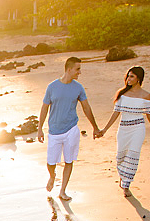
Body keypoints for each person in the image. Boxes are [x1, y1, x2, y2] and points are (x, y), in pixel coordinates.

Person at [37, 57, 102, 201]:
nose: (80, 72)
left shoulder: (78, 88)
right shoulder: (52, 87)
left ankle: (63, 191)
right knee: (51, 162)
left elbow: (86, 107)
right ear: (69, 69)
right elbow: (44, 107)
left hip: (71, 129)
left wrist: (95, 127)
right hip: (54, 130)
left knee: (69, 161)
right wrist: (39, 128)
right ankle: (52, 176)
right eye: (78, 69)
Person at [99, 66, 150, 197]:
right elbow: (116, 113)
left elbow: (149, 114)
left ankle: (126, 185)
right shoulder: (122, 94)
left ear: (139, 78)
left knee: (133, 155)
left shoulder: (146, 95)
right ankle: (123, 178)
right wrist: (104, 129)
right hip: (123, 129)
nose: (128, 79)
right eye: (128, 76)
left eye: (132, 76)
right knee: (121, 157)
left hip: (138, 128)